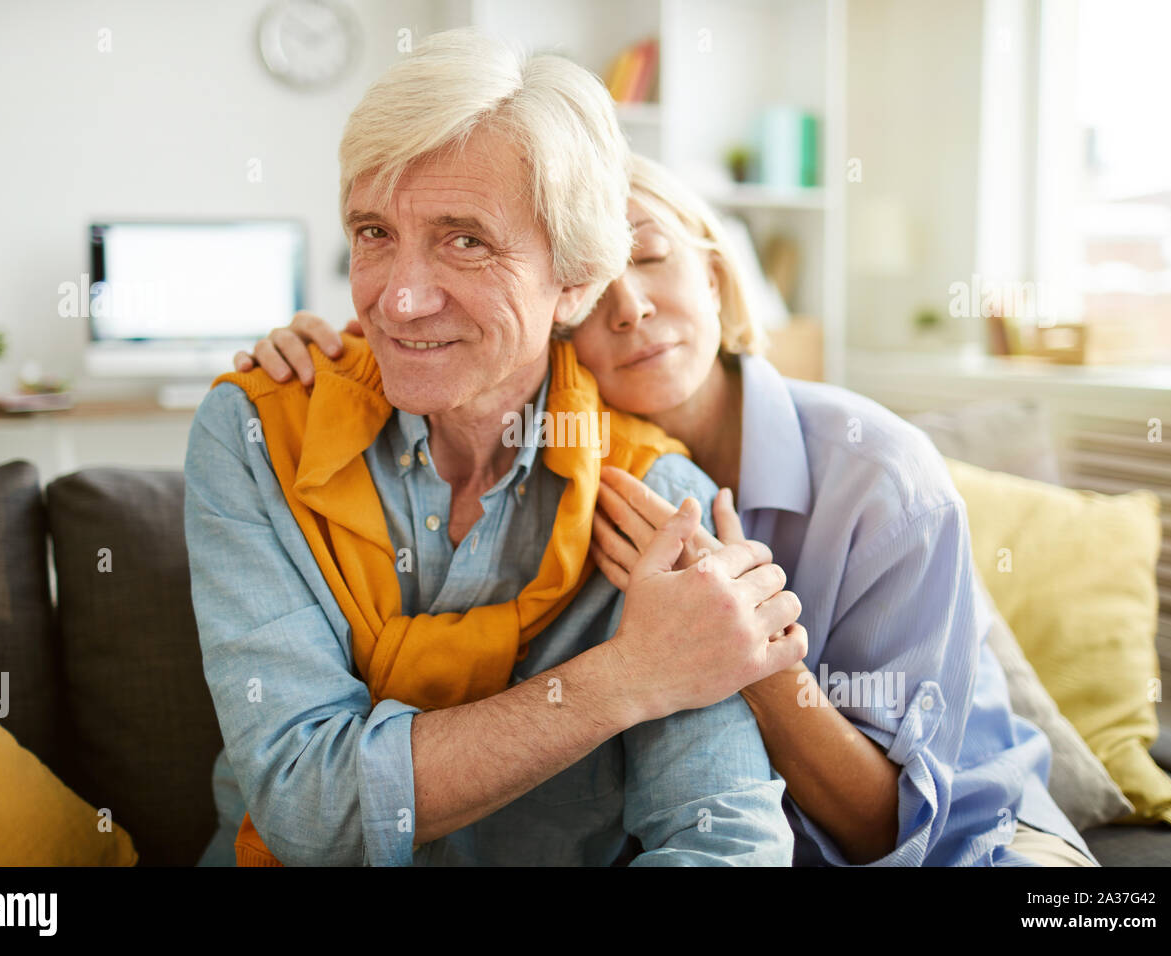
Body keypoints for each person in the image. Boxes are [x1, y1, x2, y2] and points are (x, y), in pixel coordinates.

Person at [240, 151, 1099, 867]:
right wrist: (325, 359)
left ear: (717, 277)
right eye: (594, 283)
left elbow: (892, 828)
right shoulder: (573, 479)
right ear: (552, 319)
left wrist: (746, 654)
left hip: (969, 843)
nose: (631, 307)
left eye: (649, 257)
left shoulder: (880, 478)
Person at [185, 28, 807, 867]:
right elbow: (308, 809)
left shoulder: (655, 495)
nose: (398, 300)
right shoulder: (258, 432)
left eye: (464, 240)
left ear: (576, 280)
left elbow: (723, 839)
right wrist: (623, 678)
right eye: (373, 233)